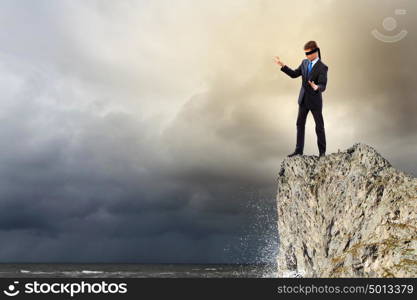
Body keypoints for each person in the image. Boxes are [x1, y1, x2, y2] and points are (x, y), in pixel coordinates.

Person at [274, 40, 328, 158]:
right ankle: (298, 150)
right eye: (306, 54)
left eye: (309, 53)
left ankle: (322, 153)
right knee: (300, 124)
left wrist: (317, 87)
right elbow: (294, 74)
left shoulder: (322, 67)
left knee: (319, 126)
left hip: (315, 101)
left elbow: (323, 85)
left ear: (316, 51)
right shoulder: (304, 63)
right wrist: (283, 65)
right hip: (303, 100)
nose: (307, 56)